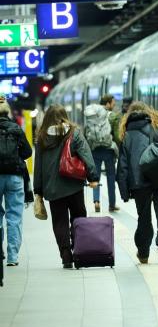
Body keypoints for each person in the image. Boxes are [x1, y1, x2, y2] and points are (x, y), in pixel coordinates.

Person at [33, 105, 99, 268]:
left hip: (52, 188)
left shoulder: (42, 137)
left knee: (59, 221)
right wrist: (93, 177)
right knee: (78, 217)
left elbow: (38, 166)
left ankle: (65, 255)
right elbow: (86, 154)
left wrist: (38, 190)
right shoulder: (74, 132)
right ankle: (78, 249)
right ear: (65, 116)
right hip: (73, 185)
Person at [117, 102, 158, 265]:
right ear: (148, 112)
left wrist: (124, 191)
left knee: (144, 218)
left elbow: (122, 165)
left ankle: (143, 252)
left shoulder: (127, 133)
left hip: (139, 183)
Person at [0, 102, 33, 267]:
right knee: (14, 217)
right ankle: (13, 256)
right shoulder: (16, 129)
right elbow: (28, 152)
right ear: (8, 112)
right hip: (14, 176)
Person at [85, 95, 119, 213]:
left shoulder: (92, 115)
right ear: (108, 103)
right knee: (111, 177)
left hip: (95, 150)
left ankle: (96, 201)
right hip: (108, 150)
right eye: (113, 102)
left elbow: (86, 131)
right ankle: (112, 204)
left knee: (96, 177)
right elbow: (117, 135)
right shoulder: (112, 116)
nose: (114, 105)